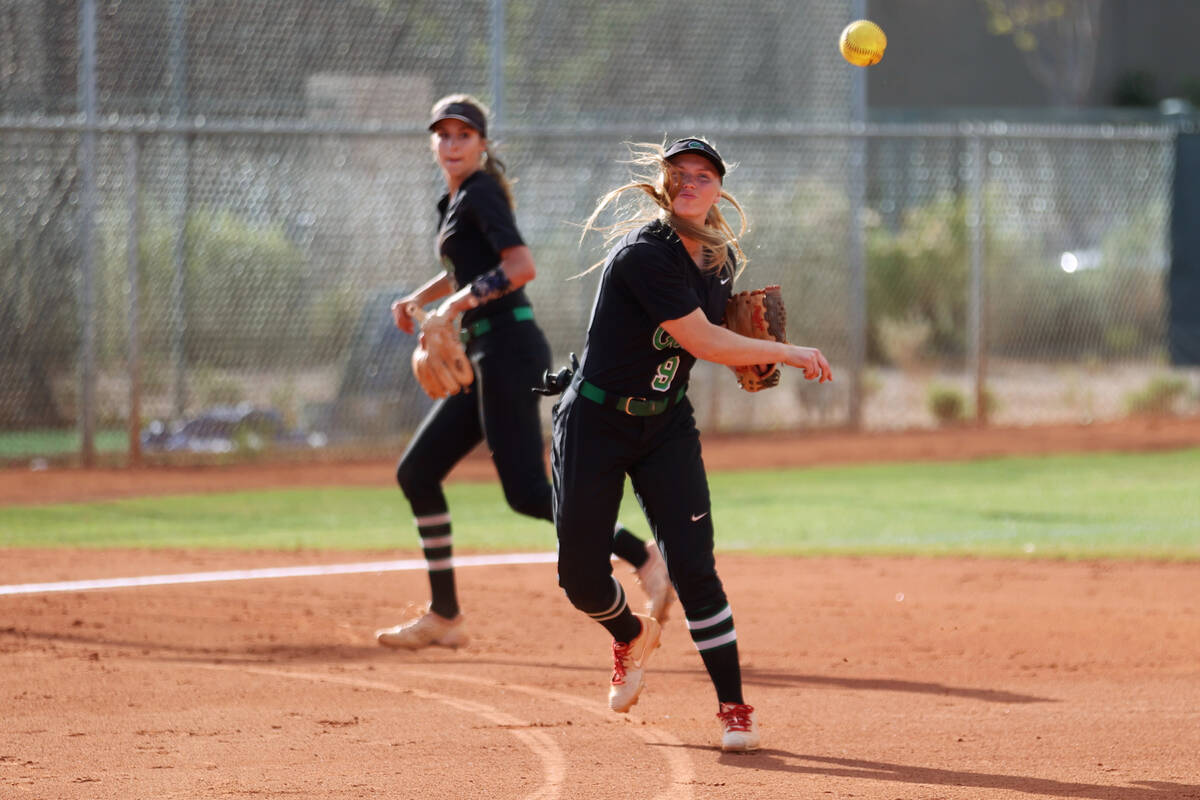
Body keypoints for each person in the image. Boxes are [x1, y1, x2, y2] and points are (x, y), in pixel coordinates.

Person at [550, 137, 832, 751]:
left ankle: (734, 707)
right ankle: (629, 633)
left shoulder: (717, 258)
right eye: (678, 173)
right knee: (580, 579)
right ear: (663, 183)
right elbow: (703, 340)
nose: (689, 183)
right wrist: (785, 352)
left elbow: (708, 337)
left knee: (696, 568)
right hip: (596, 422)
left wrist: (746, 347)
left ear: (719, 188)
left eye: (702, 175)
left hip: (665, 427)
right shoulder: (642, 255)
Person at [375, 94, 672, 651]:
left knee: (528, 492)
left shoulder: (482, 191)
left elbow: (519, 266)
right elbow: (471, 269)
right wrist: (423, 297)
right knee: (418, 472)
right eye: (442, 134)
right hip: (486, 353)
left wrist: (454, 308)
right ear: (432, 143)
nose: (452, 142)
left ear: (482, 144)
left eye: (463, 134)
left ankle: (643, 556)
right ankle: (445, 615)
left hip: (509, 350)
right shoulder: (456, 201)